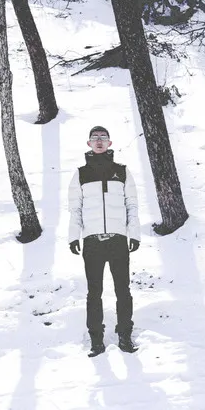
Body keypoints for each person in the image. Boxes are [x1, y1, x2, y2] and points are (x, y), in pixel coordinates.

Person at [68, 126, 141, 357]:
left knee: (123, 290)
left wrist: (134, 234)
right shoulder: (80, 174)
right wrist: (74, 237)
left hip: (118, 241)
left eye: (103, 138)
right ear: (88, 143)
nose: (99, 141)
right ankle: (96, 340)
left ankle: (125, 336)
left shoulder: (122, 171)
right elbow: (75, 209)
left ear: (110, 143)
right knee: (94, 293)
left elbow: (132, 205)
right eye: (94, 138)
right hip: (93, 243)